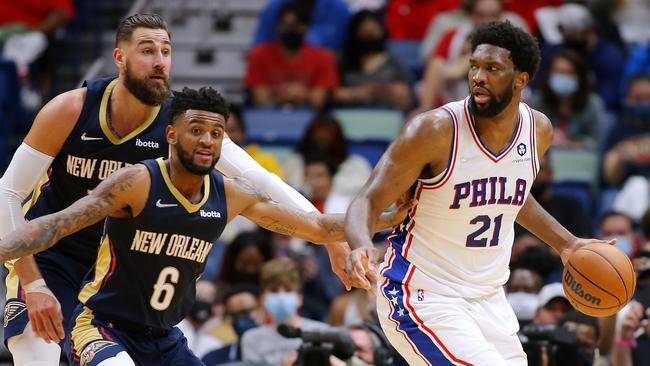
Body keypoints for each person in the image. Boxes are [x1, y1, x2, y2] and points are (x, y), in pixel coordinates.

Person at [0, 13, 352, 365]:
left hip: (121, 270)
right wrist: (32, 283)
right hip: (53, 255)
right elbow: (8, 192)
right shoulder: (71, 109)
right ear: (120, 58)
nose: (159, 61)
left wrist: (328, 235)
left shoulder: (185, 124)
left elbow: (260, 179)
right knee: (38, 350)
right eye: (147, 50)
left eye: (166, 52)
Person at [343, 20, 613, 365]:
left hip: (489, 300)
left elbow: (512, 197)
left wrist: (567, 243)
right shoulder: (434, 130)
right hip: (422, 294)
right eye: (474, 66)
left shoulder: (537, 130)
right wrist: (361, 245)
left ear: (521, 79)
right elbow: (367, 199)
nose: (478, 77)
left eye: (492, 68)